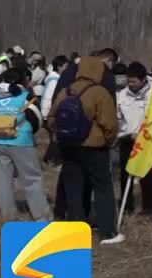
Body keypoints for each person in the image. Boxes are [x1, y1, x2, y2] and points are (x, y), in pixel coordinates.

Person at [49, 56, 122, 244]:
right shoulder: (99, 93)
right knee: (102, 188)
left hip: (69, 147)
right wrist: (109, 141)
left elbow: (51, 119)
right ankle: (107, 232)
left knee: (73, 189)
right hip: (94, 148)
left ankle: (75, 231)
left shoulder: (65, 91)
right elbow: (110, 124)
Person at [0, 71, 49, 221]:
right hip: (21, 141)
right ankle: (41, 216)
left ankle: (9, 216)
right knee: (31, 178)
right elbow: (37, 119)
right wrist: (28, 132)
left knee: (3, 180)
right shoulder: (25, 96)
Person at [115, 62, 152, 215]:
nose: (130, 84)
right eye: (128, 81)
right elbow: (118, 118)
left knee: (146, 175)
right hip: (127, 139)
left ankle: (149, 207)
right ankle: (127, 206)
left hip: (145, 140)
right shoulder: (121, 95)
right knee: (126, 175)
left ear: (143, 79)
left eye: (133, 81)